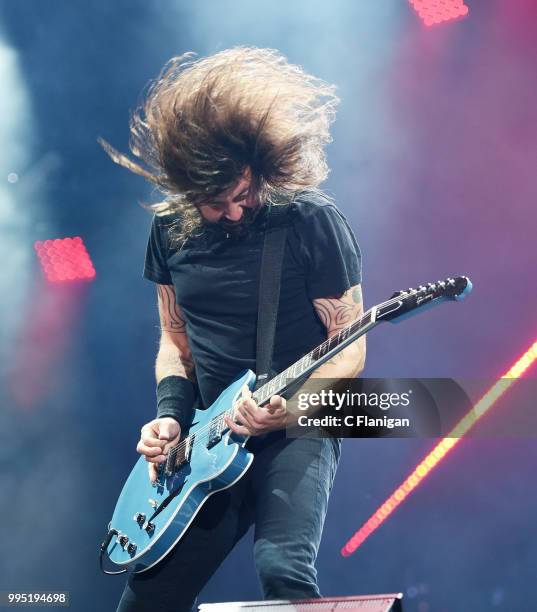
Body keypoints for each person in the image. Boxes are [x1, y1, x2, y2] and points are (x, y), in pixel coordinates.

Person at [102, 46, 366, 612]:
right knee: (146, 600)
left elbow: (349, 351)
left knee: (283, 570)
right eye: (219, 203)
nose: (238, 211)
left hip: (295, 425)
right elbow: (175, 342)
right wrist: (170, 416)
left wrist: (294, 409)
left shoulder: (307, 219)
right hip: (207, 441)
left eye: (244, 193)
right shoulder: (170, 231)